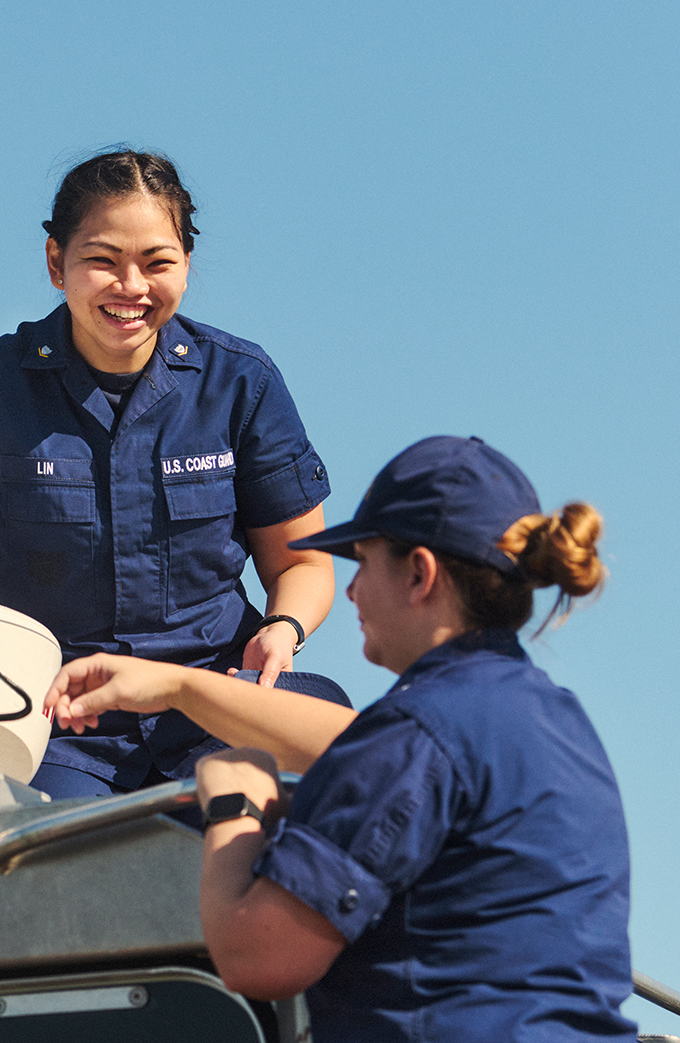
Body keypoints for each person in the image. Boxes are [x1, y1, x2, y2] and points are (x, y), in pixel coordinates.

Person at [0, 149, 343, 797]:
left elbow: (302, 565)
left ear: (186, 266)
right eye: (103, 260)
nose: (131, 286)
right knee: (61, 862)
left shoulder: (241, 382)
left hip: (219, 702)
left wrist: (284, 628)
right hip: (64, 720)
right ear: (55, 262)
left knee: (327, 782)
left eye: (157, 262)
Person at [46, 436, 636, 1041]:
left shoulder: (417, 735)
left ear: (420, 573)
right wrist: (177, 686)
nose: (351, 592)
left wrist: (234, 803)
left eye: (361, 562)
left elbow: (256, 958)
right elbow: (366, 745)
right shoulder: (552, 723)